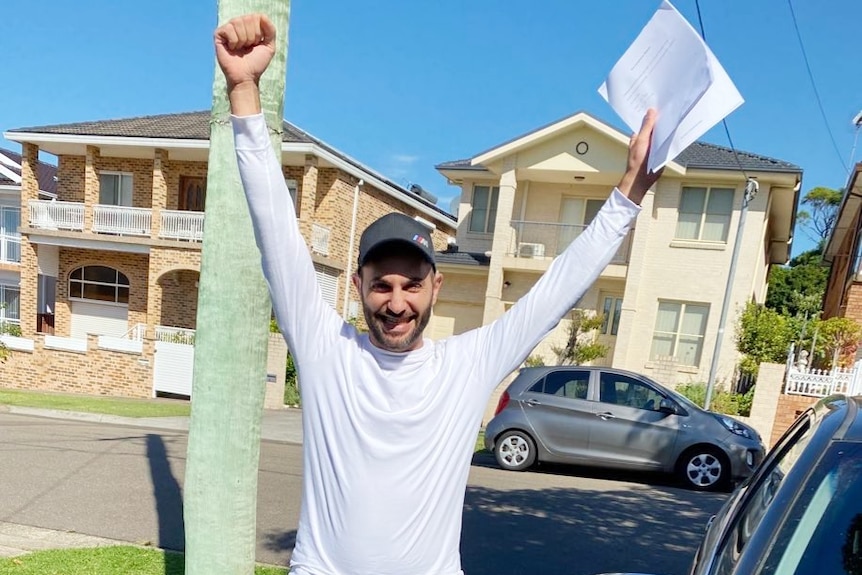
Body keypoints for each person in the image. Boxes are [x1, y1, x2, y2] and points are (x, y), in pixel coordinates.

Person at [215, 13, 661, 575]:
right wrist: (244, 91)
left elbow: (556, 292)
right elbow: (275, 230)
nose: (396, 302)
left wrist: (628, 193)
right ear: (358, 289)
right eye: (382, 284)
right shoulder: (327, 350)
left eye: (412, 284)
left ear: (436, 287)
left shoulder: (467, 365)